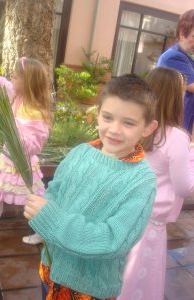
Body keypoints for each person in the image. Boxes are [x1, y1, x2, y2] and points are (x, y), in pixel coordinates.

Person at [23, 74, 158, 300]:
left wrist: (51, 220)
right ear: (97, 115)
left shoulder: (141, 182)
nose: (114, 129)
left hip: (88, 289)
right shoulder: (80, 153)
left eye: (128, 123)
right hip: (50, 270)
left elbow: (113, 241)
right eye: (107, 117)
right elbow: (55, 192)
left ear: (147, 128)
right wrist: (40, 208)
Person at [117, 67, 194, 300]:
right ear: (174, 97)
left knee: (118, 271)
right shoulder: (176, 137)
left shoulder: (136, 128)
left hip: (124, 213)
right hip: (150, 224)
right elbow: (185, 187)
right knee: (139, 280)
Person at [0, 57, 51, 251]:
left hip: (23, 164)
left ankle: (42, 232)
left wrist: (13, 131)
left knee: (35, 197)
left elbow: (34, 147)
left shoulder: (37, 113)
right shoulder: (16, 95)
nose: (11, 80)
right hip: (7, 158)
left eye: (16, 77)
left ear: (28, 82)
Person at [157, 9, 194, 134]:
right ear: (183, 33)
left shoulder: (186, 56)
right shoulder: (174, 56)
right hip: (173, 123)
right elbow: (192, 86)